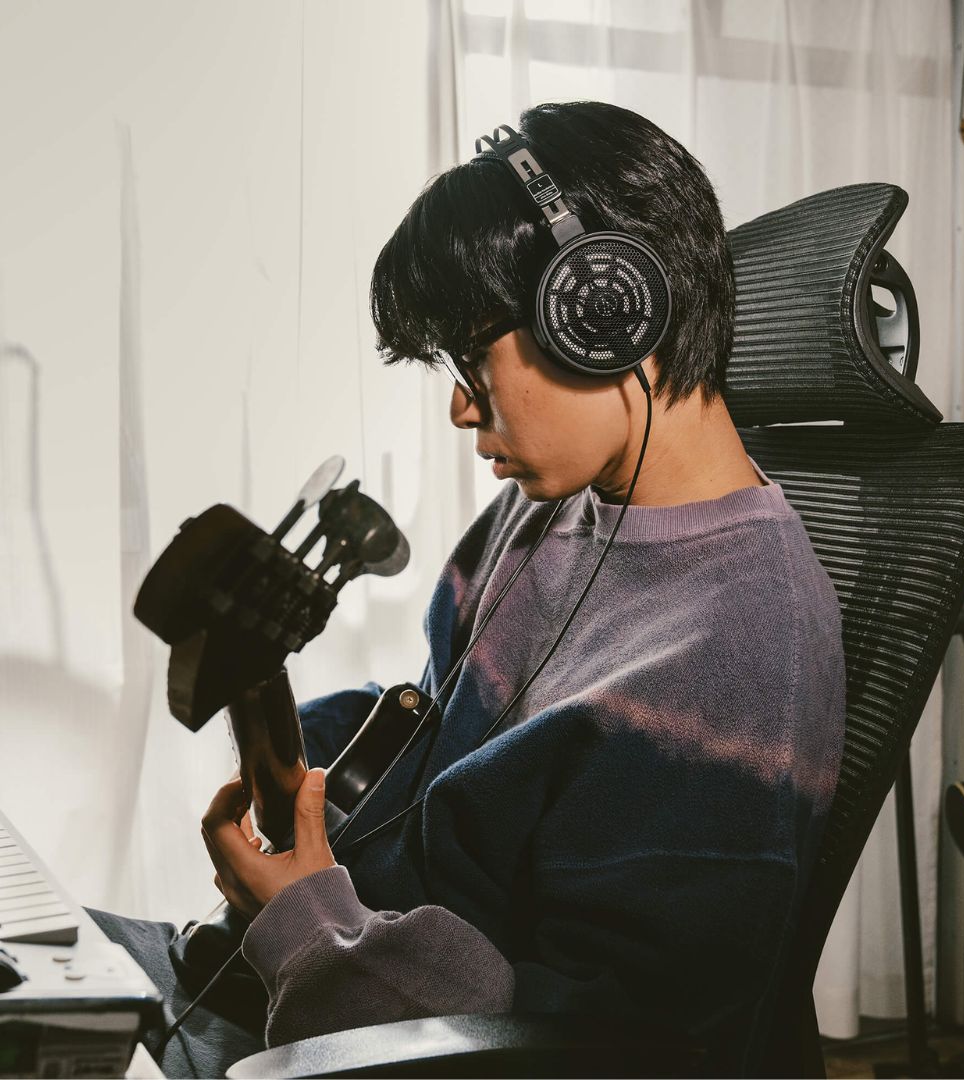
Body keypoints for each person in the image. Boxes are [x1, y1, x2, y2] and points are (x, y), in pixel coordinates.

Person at [98, 100, 846, 1078]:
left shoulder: (741, 654)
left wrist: (307, 929)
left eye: (469, 359)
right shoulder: (543, 514)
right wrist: (296, 776)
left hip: (374, 1045)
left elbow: (611, 1045)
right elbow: (436, 730)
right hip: (295, 984)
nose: (459, 407)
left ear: (604, 314)